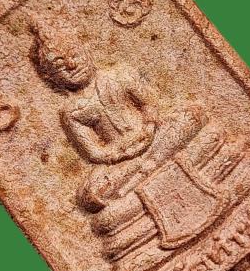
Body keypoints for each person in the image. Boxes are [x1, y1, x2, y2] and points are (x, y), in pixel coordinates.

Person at [30, 24, 207, 212]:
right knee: (90, 196)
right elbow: (93, 152)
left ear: (87, 52)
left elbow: (148, 104)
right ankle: (158, 165)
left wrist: (149, 127)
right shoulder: (71, 112)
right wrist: (119, 153)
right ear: (50, 77)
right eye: (59, 65)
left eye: (75, 55)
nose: (71, 65)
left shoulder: (119, 75)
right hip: (123, 160)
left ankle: (142, 177)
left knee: (193, 114)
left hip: (155, 136)